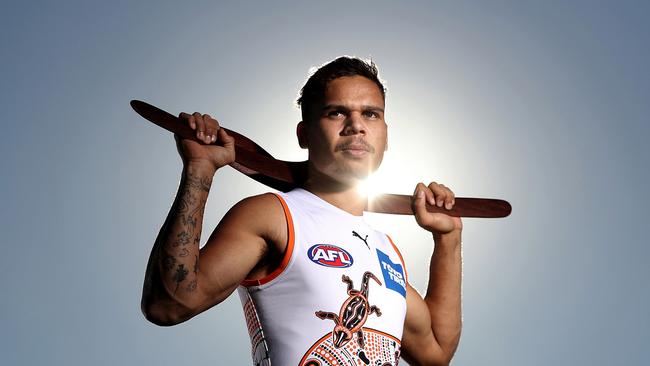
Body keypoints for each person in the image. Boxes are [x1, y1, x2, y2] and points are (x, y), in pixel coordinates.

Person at [141, 57, 463, 366]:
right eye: (337, 113)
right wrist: (199, 172)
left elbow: (435, 351)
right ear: (303, 134)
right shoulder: (273, 216)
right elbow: (168, 304)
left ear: (386, 135)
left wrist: (448, 240)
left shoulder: (384, 250)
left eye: (371, 114)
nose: (356, 126)